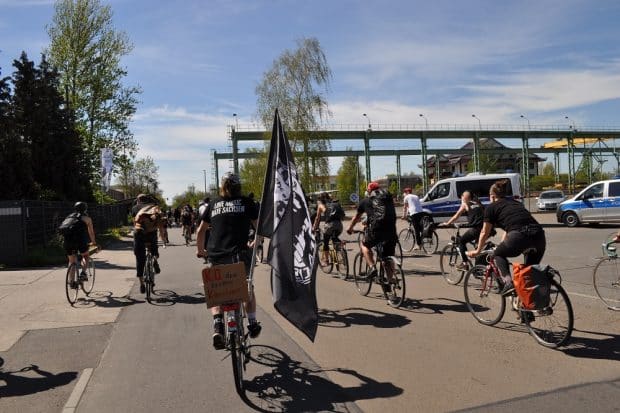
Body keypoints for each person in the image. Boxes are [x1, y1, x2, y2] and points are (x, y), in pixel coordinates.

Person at [196, 172, 262, 350]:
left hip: (217, 255)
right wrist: (257, 241)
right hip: (240, 254)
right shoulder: (247, 203)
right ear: (239, 186)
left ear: (222, 186)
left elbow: (200, 231)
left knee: (216, 289)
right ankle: (253, 322)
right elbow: (259, 228)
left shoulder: (213, 204)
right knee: (247, 287)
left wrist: (201, 251)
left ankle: (218, 324)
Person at [466, 179, 546, 295]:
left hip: (519, 235)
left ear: (492, 196)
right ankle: (529, 308)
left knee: (497, 254)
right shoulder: (515, 203)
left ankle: (508, 283)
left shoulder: (491, 207)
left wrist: (478, 250)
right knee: (528, 275)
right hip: (539, 236)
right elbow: (509, 228)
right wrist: (503, 244)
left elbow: (484, 232)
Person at [347, 182, 398, 288]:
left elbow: (356, 218)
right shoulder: (386, 199)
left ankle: (372, 267)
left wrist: (350, 229)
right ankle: (390, 280)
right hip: (391, 229)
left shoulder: (365, 201)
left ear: (368, 191)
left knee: (365, 246)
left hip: (377, 229)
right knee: (388, 256)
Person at [439, 190, 484, 270]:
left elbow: (456, 216)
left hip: (477, 229)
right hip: (487, 228)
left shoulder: (465, 204)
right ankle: (480, 267)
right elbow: (478, 215)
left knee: (461, 241)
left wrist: (448, 223)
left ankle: (464, 263)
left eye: (462, 196)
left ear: (464, 197)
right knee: (478, 246)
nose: (461, 198)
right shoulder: (478, 203)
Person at [132, 194, 165, 294]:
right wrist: (163, 239)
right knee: (154, 249)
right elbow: (160, 225)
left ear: (138, 200)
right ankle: (154, 259)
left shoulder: (135, 208)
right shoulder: (155, 207)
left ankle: (142, 284)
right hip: (151, 233)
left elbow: (135, 222)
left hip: (139, 233)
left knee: (139, 258)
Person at [61, 202, 97, 288]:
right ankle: (83, 273)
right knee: (86, 256)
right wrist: (93, 242)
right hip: (80, 241)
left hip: (67, 242)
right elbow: (91, 232)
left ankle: (72, 282)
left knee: (71, 261)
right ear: (85, 209)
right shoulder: (87, 218)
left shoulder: (69, 217)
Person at [313, 192, 344, 266]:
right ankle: (341, 250)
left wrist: (314, 227)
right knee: (334, 239)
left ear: (320, 199)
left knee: (326, 242)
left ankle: (326, 261)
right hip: (339, 225)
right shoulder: (334, 203)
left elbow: (317, 218)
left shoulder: (321, 205)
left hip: (330, 225)